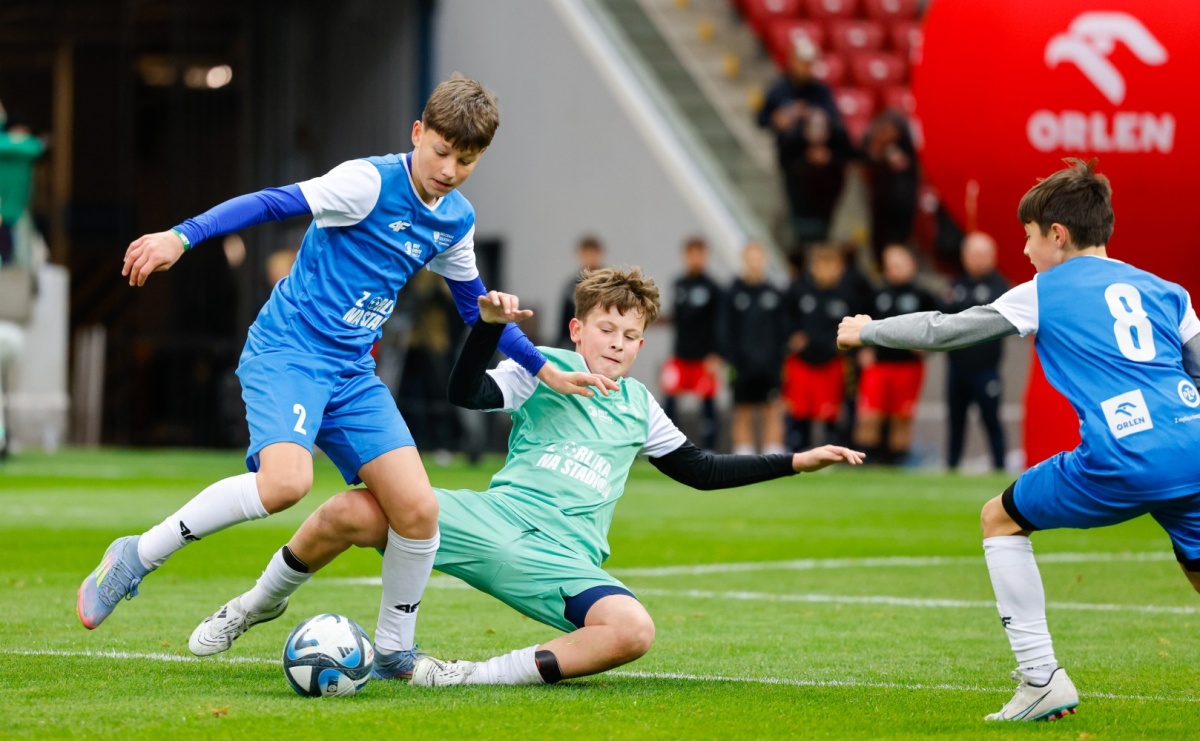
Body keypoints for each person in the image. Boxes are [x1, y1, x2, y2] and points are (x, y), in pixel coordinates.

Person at [76, 75, 616, 682]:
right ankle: (137, 555)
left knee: (417, 510)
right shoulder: (366, 183)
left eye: (466, 161)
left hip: (352, 371)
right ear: (418, 133)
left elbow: (476, 310)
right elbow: (272, 202)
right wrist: (183, 235)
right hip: (290, 352)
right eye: (440, 151)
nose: (449, 169)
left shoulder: (455, 220)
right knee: (284, 484)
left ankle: (394, 652)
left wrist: (544, 369)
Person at [188, 268, 864, 686]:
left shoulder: (639, 406)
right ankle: (253, 605)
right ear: (579, 328)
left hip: (563, 558)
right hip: (491, 520)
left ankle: (466, 677)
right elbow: (465, 391)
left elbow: (702, 469)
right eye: (607, 328)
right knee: (348, 510)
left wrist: (797, 459)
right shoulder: (544, 366)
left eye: (631, 335)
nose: (619, 343)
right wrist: (487, 329)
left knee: (632, 630)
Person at [838, 158, 1200, 721]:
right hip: (1193, 445)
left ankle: (1040, 679)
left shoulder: (1044, 290)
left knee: (999, 518)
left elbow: (947, 329)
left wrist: (869, 330)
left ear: (1058, 234)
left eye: (1029, 238)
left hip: (1125, 453)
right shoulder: (1167, 291)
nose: (1026, 252)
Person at [756, 38, 847, 245]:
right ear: (792, 61)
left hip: (818, 171)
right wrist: (778, 119)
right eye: (802, 62)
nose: (806, 68)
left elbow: (835, 122)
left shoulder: (821, 92)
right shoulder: (779, 90)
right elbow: (761, 119)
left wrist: (812, 116)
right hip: (790, 165)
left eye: (810, 63)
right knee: (792, 217)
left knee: (817, 221)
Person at [854, 243, 937, 465]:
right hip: (879, 366)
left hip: (908, 366)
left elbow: (941, 327)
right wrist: (863, 349)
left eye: (899, 264)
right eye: (890, 265)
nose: (895, 270)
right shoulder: (876, 294)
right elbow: (859, 322)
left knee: (901, 418)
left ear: (911, 265)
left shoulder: (923, 296)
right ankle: (866, 463)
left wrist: (926, 347)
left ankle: (897, 464)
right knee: (869, 416)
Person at [943, 232, 1010, 471]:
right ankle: (951, 466)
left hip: (986, 369)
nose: (978, 260)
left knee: (991, 420)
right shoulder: (955, 286)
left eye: (983, 255)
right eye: (974, 254)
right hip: (957, 367)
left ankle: (1000, 467)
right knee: (955, 421)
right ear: (964, 256)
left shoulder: (1001, 288)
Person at [782, 243, 858, 450]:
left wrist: (846, 345)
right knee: (799, 415)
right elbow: (785, 317)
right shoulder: (798, 290)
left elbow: (858, 323)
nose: (826, 270)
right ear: (813, 267)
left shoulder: (847, 295)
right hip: (803, 362)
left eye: (831, 265)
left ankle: (831, 454)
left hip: (832, 362)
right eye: (821, 264)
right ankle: (797, 454)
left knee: (831, 415)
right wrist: (792, 336)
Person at [719, 241, 788, 455]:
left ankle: (773, 454)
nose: (755, 262)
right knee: (742, 410)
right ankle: (743, 455)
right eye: (751, 258)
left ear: (765, 260)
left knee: (772, 409)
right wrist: (730, 358)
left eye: (759, 257)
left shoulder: (775, 293)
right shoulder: (732, 292)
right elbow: (724, 329)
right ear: (743, 260)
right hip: (741, 364)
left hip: (770, 365)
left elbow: (782, 331)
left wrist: (779, 359)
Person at [660, 236, 723, 452]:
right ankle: (666, 446)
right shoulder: (678, 284)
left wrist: (716, 353)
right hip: (679, 355)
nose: (695, 259)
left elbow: (719, 323)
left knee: (707, 404)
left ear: (705, 257)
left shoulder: (714, 287)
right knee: (668, 401)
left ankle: (709, 448)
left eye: (700, 254)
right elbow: (677, 318)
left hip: (704, 357)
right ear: (685, 256)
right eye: (691, 254)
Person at [557, 235, 605, 348]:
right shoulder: (571, 286)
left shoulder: (610, 283)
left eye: (592, 253)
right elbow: (564, 322)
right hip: (576, 342)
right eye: (585, 254)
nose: (588, 258)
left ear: (599, 254)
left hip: (602, 340)